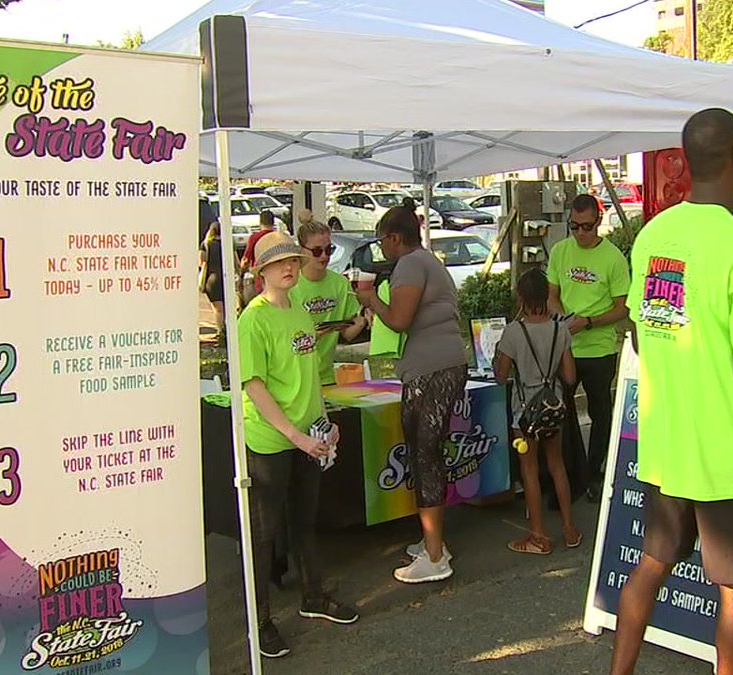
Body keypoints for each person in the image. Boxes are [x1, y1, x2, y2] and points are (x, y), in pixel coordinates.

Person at [611, 108, 733, 675]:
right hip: (728, 457)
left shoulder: (653, 237)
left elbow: (645, 338)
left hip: (667, 446)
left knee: (650, 564)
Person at [238, 229, 360, 659]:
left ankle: (313, 596)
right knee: (265, 534)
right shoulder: (252, 319)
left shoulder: (301, 311)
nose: (289, 268)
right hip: (271, 440)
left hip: (309, 435)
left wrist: (323, 425)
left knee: (306, 523)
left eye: (292, 260)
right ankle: (260, 621)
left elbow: (309, 378)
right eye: (279, 263)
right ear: (262, 270)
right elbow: (253, 386)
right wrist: (294, 435)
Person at [356, 204, 469, 584]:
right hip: (444, 363)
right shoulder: (430, 262)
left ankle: (436, 556)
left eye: (382, 241)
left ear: (393, 238)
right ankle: (432, 540)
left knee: (425, 456)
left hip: (431, 371)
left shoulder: (408, 264)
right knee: (427, 454)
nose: (381, 249)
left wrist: (371, 298)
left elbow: (399, 319)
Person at [547, 193, 631, 502]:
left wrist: (590, 321)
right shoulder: (560, 251)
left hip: (599, 347)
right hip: (566, 346)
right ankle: (570, 475)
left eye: (587, 227)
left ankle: (595, 473)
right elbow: (551, 294)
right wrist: (561, 317)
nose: (581, 233)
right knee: (560, 412)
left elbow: (624, 308)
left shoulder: (613, 258)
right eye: (575, 227)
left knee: (601, 414)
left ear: (598, 223)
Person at [494, 268, 581, 555]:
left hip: (525, 411)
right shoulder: (560, 329)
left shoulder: (513, 332)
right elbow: (569, 376)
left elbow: (501, 375)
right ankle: (570, 529)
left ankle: (538, 536)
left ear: (520, 296)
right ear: (546, 295)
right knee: (557, 465)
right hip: (553, 405)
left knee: (529, 470)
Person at [290, 212, 367, 386]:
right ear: (302, 249)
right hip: (294, 378)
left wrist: (362, 321)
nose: (324, 256)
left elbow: (347, 334)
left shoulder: (340, 283)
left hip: (326, 377)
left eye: (329, 250)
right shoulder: (290, 285)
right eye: (317, 251)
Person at [199, 222, 231, 340]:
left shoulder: (206, 244)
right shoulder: (227, 244)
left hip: (212, 279)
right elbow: (236, 262)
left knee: (217, 309)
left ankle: (220, 331)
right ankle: (229, 330)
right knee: (227, 307)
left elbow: (201, 261)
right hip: (226, 278)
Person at [240, 210, 278, 302]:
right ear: (273, 222)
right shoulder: (278, 237)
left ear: (260, 222)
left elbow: (246, 260)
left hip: (259, 276)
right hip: (276, 274)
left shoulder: (254, 237)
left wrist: (241, 273)